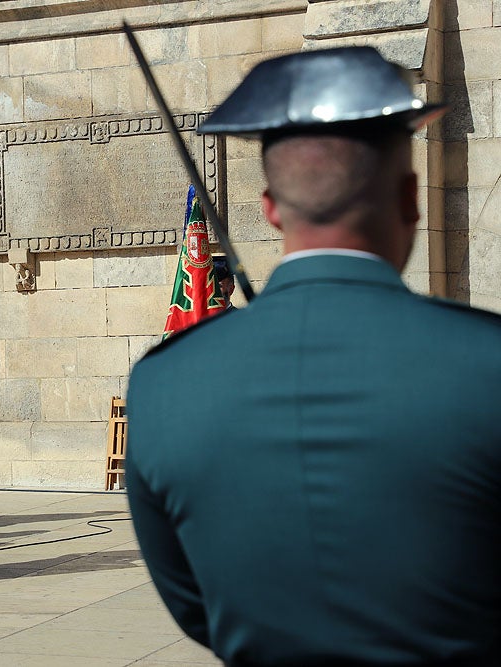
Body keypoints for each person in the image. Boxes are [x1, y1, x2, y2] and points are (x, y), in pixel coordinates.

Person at [126, 46, 501, 667]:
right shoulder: (484, 361)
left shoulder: (165, 382)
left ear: (271, 209)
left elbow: (196, 607)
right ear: (410, 198)